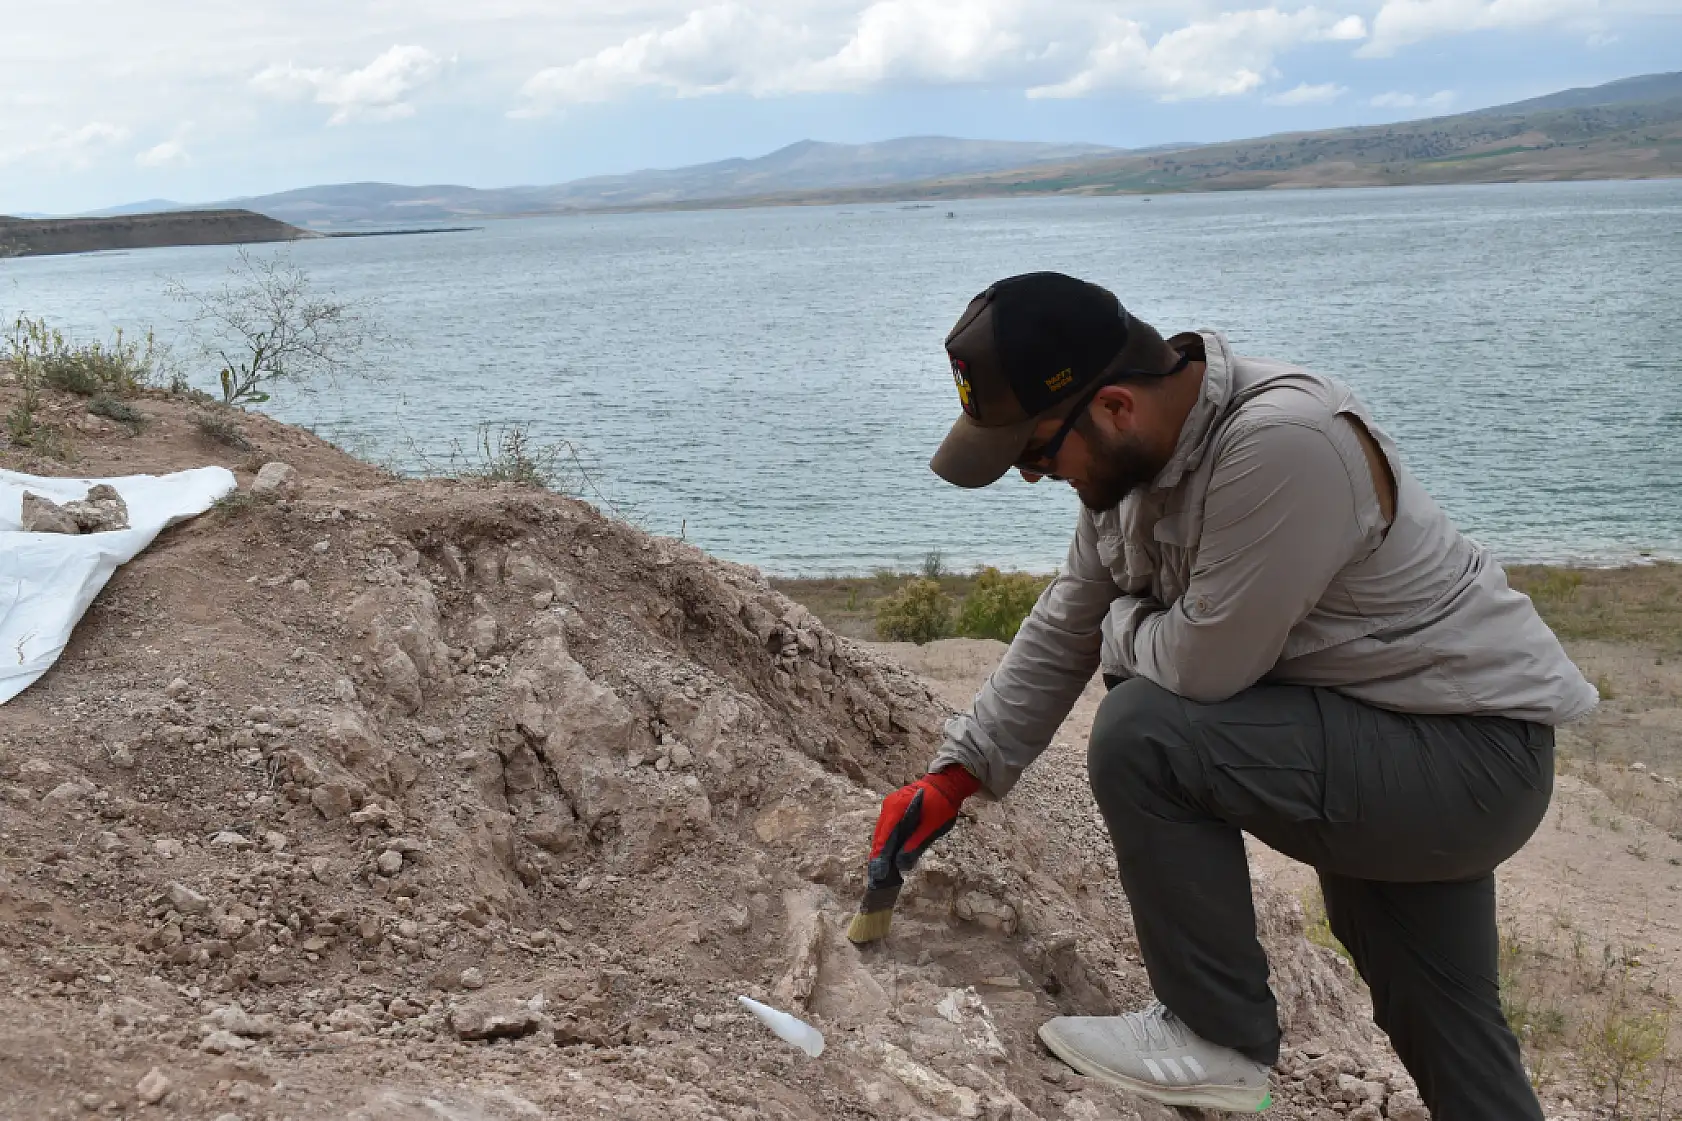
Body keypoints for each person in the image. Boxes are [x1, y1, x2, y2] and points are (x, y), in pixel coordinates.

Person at [864, 272, 1597, 1117]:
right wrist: (958, 773)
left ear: (1113, 407)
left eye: (1034, 451)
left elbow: (1204, 669)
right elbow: (1071, 614)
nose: (1032, 477)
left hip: (1461, 760)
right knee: (1439, 1014)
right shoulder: (1129, 469)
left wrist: (1123, 630)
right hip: (1381, 738)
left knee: (1143, 730)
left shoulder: (1285, 446)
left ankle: (1213, 1036)